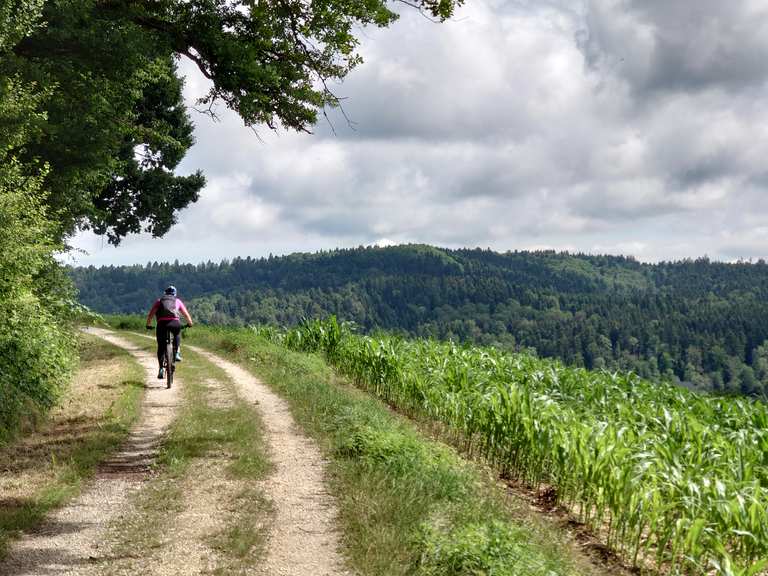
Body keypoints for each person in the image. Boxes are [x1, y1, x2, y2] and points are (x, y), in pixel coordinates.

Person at [146, 285, 193, 379]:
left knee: (161, 346)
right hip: (174, 323)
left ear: (165, 293)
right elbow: (185, 314)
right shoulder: (177, 301)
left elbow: (151, 314)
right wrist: (190, 323)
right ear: (175, 294)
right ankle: (177, 354)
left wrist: (148, 324)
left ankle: (161, 369)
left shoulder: (159, 301)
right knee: (177, 333)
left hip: (162, 324)